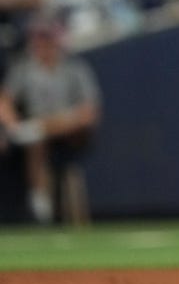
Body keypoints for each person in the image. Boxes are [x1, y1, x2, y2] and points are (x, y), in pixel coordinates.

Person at [0, 13, 102, 225]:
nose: (43, 43)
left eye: (47, 37)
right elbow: (5, 101)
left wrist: (47, 126)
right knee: (35, 140)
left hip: (71, 132)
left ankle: (38, 130)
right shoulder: (24, 68)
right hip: (34, 133)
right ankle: (40, 202)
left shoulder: (75, 68)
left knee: (43, 130)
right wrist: (12, 125)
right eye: (39, 37)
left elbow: (89, 112)